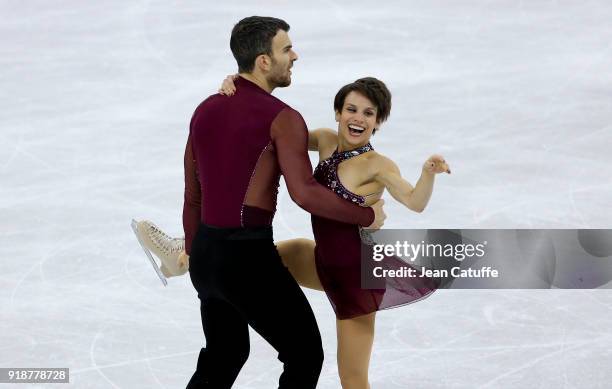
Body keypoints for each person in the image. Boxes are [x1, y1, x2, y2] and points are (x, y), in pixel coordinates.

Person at [134, 75, 450, 388]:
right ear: (338, 113)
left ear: (378, 122)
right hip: (318, 260)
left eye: (369, 113)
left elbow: (414, 201)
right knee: (243, 264)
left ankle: (188, 256)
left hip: (355, 277)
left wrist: (427, 174)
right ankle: (185, 256)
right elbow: (272, 135)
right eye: (352, 109)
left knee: (352, 379)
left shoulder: (379, 165)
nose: (358, 119)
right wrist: (239, 89)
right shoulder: (326, 140)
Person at [170, 16, 386, 389]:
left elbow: (193, 194)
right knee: (304, 355)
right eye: (286, 49)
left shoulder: (204, 109)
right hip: (248, 258)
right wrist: (364, 214)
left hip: (205, 254)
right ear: (264, 61)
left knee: (225, 353)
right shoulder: (283, 119)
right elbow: (304, 192)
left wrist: (193, 250)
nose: (295, 55)